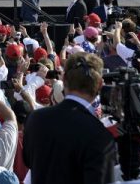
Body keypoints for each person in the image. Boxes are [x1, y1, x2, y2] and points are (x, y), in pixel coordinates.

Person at [23, 52, 117, 184]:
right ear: (100, 84)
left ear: (65, 80)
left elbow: (29, 161)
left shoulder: (36, 119)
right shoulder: (100, 134)